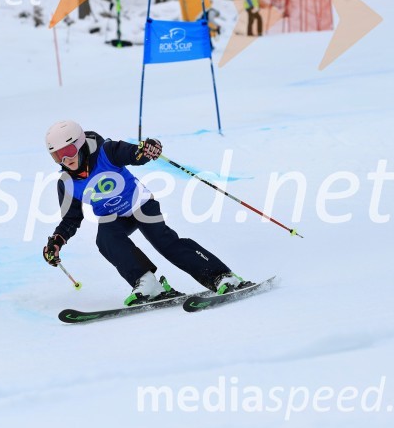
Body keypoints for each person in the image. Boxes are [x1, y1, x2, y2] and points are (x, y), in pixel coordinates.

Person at [42, 120, 248, 307]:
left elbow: (133, 154)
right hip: (112, 216)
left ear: (80, 143)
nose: (65, 159)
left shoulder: (107, 150)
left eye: (68, 150)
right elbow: (71, 218)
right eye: (57, 155)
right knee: (105, 239)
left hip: (139, 204)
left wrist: (147, 148)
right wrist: (57, 241)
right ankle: (147, 284)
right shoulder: (66, 183)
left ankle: (222, 276)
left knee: (164, 242)